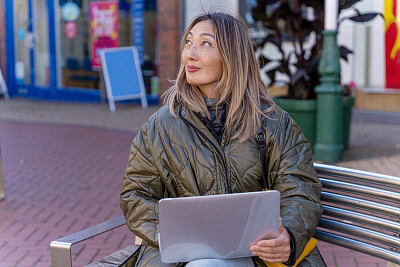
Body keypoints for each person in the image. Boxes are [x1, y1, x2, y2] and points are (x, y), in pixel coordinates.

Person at [120, 12, 325, 267]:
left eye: (205, 43)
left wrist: (288, 237)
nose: (190, 54)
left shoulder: (273, 123)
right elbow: (136, 195)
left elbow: (300, 190)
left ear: (232, 56)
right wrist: (170, 234)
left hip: (255, 255)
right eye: (188, 42)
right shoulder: (158, 127)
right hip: (177, 257)